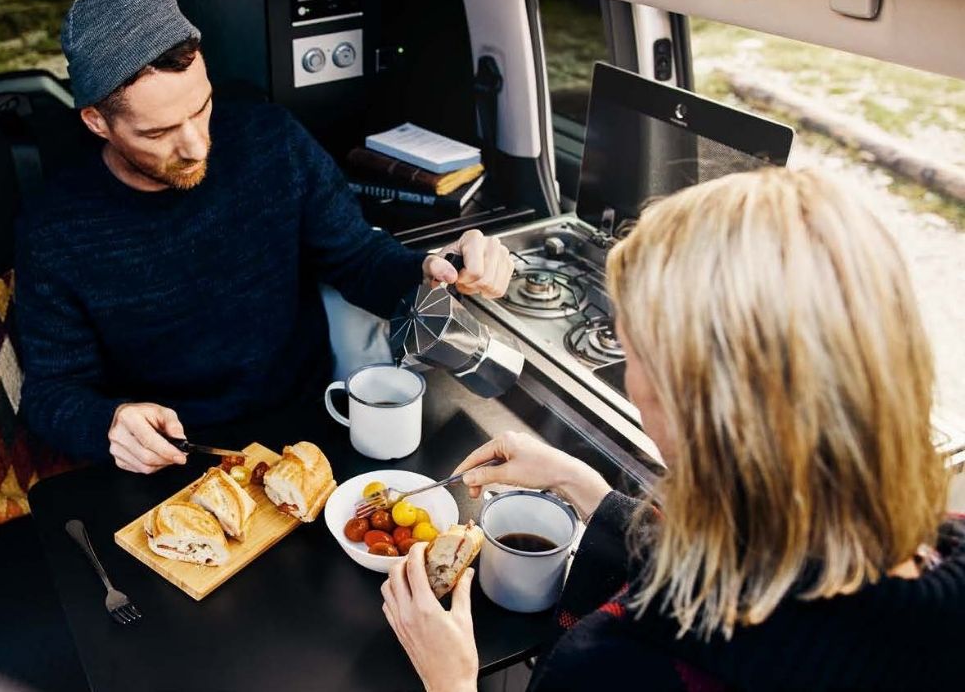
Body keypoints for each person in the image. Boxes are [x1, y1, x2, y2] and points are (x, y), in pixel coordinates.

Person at [381, 168, 963, 690]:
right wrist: (591, 493)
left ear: (698, 409)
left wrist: (452, 682)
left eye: (630, 353)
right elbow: (756, 570)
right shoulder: (948, 554)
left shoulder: (620, 665)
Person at [14, 0, 513, 472]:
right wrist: (108, 424)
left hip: (310, 426)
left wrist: (432, 267)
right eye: (158, 132)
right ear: (97, 121)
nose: (194, 146)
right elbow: (52, 391)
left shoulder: (273, 142)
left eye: (201, 108)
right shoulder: (55, 229)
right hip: (182, 455)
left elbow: (358, 258)